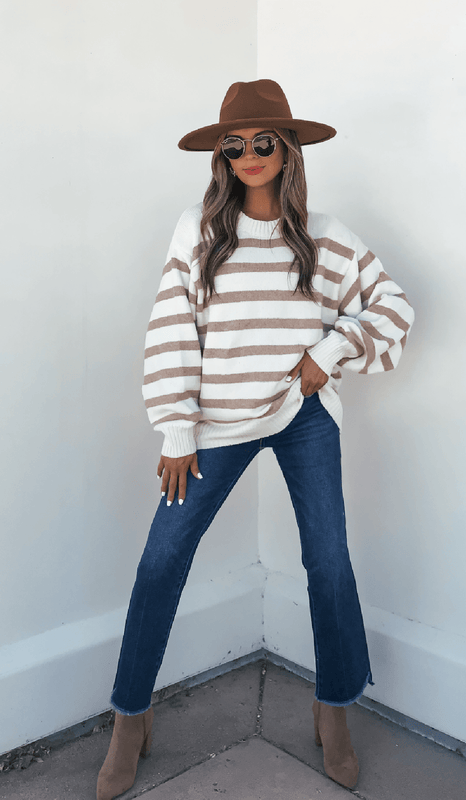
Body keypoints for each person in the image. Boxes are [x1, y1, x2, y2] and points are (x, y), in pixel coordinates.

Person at [96, 79, 414, 800]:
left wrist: (327, 352)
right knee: (161, 562)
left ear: (288, 148)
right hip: (214, 423)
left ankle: (333, 707)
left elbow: (393, 306)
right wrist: (177, 427)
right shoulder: (199, 230)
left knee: (328, 563)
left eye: (262, 140)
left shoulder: (326, 236)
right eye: (233, 144)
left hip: (303, 415)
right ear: (221, 156)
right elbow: (173, 326)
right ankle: (130, 717)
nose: (248, 154)